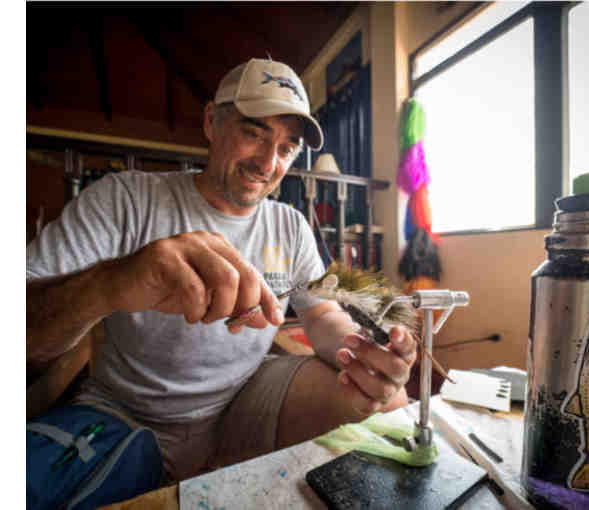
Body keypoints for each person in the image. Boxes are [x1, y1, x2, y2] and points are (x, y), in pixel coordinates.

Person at [26, 58, 417, 483]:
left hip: (242, 401)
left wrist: (366, 357)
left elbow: (321, 314)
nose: (268, 163)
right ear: (212, 122)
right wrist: (112, 281)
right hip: (125, 411)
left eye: (286, 148)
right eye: (253, 133)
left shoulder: (291, 225)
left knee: (387, 406)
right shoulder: (125, 199)